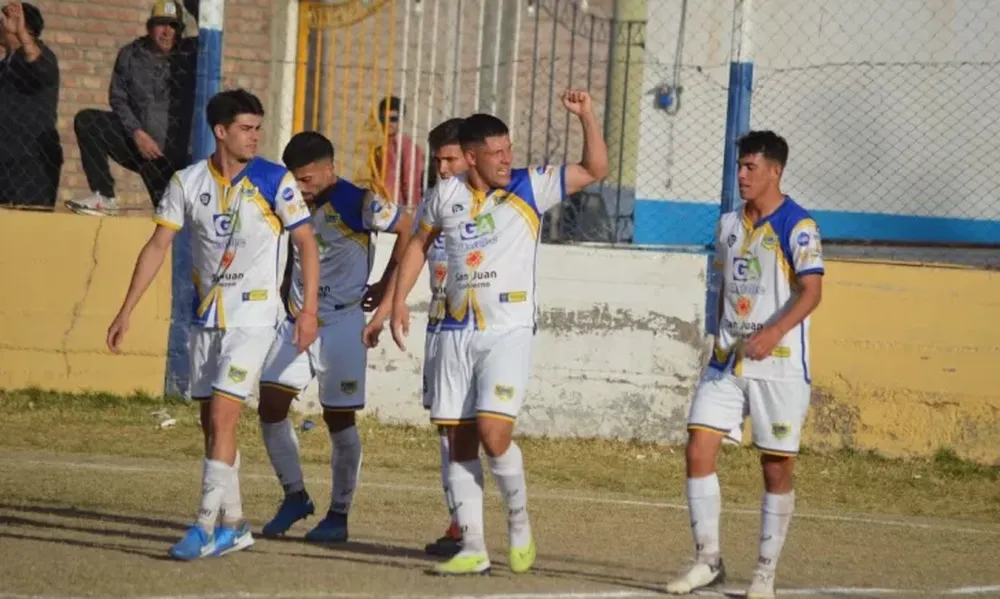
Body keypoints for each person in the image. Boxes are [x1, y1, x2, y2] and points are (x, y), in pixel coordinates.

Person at [386, 90, 609, 576]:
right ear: (471, 158)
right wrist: (400, 299)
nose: (508, 159)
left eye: (509, 150)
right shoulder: (444, 194)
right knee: (458, 440)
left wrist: (587, 115)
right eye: (497, 153)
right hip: (454, 332)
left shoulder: (531, 186)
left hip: (508, 331)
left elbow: (594, 169)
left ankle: (520, 521)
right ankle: (473, 547)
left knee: (493, 432)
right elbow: (419, 246)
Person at [105, 89, 320, 561]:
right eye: (246, 128)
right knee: (211, 425)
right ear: (221, 131)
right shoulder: (187, 182)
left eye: (258, 129)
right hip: (207, 320)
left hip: (257, 318)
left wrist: (307, 312)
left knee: (224, 416)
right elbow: (158, 246)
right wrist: (126, 311)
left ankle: (202, 528)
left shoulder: (274, 179)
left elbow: (306, 243)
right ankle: (235, 524)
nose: (255, 137)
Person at [665, 130, 824, 598]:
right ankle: (707, 560)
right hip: (728, 361)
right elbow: (724, 289)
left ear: (775, 171)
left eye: (751, 167)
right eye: (739, 166)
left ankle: (765, 573)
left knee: (775, 468)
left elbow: (812, 291)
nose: (742, 175)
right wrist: (717, 340)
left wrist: (773, 332)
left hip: (779, 367)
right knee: (698, 447)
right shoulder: (728, 224)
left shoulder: (799, 226)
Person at [255, 131, 413, 543]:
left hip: (344, 324)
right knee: (270, 404)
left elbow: (411, 230)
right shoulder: (289, 202)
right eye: (295, 180)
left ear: (330, 169)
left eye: (307, 180)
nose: (300, 189)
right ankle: (294, 495)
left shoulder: (360, 202)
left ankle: (338, 515)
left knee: (338, 419)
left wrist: (386, 284)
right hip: (299, 319)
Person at [362, 117, 469, 558]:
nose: (442, 169)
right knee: (447, 429)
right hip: (442, 329)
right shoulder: (433, 200)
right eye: (438, 160)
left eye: (451, 159)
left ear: (472, 157)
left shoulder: (495, 203)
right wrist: (390, 306)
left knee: (482, 431)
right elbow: (414, 252)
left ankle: (482, 522)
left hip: (482, 335)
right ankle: (460, 522)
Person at [67, 0, 197, 216]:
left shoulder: (189, 54)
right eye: (161, 24)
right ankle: (104, 197)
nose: (167, 32)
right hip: (138, 145)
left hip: (173, 158)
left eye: (173, 26)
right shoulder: (131, 54)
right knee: (88, 121)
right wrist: (136, 132)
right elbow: (118, 97)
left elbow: (210, 26)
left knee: (171, 218)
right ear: (149, 27)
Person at [0, 1, 61, 209]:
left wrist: (21, 36)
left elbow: (42, 71)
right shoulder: (5, 65)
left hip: (31, 163)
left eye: (4, 20)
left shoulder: (43, 56)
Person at [373, 95, 425, 212]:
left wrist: (411, 214)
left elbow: (411, 184)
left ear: (401, 120)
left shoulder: (406, 147)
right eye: (384, 118)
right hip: (380, 209)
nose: (388, 123)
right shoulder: (379, 148)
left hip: (399, 211)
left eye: (393, 119)